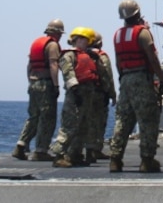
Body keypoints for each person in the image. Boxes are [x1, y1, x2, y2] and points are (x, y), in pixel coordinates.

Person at [108, 0, 163, 174]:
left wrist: (122, 77)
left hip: (125, 79)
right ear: (137, 13)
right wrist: (161, 79)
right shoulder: (143, 33)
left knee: (123, 120)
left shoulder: (117, 35)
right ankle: (147, 160)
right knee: (148, 120)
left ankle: (115, 159)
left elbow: (118, 61)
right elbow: (153, 58)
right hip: (142, 78)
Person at [49, 27, 106, 167]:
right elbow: (68, 74)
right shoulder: (68, 56)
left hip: (88, 95)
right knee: (69, 127)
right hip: (76, 96)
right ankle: (59, 155)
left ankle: (75, 154)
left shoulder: (89, 55)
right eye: (86, 41)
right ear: (78, 40)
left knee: (83, 126)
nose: (88, 44)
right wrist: (75, 91)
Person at [12, 18, 63, 161]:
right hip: (46, 84)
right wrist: (56, 85)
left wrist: (31, 80)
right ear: (57, 33)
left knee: (33, 117)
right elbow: (53, 65)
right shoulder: (52, 45)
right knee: (47, 117)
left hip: (33, 84)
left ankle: (21, 145)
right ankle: (41, 150)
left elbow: (29, 66)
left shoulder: (36, 44)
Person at [87, 31, 116, 164]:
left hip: (84, 92)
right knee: (99, 121)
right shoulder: (101, 56)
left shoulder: (82, 54)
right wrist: (112, 94)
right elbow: (107, 75)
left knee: (86, 121)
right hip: (99, 93)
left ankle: (86, 149)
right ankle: (95, 149)